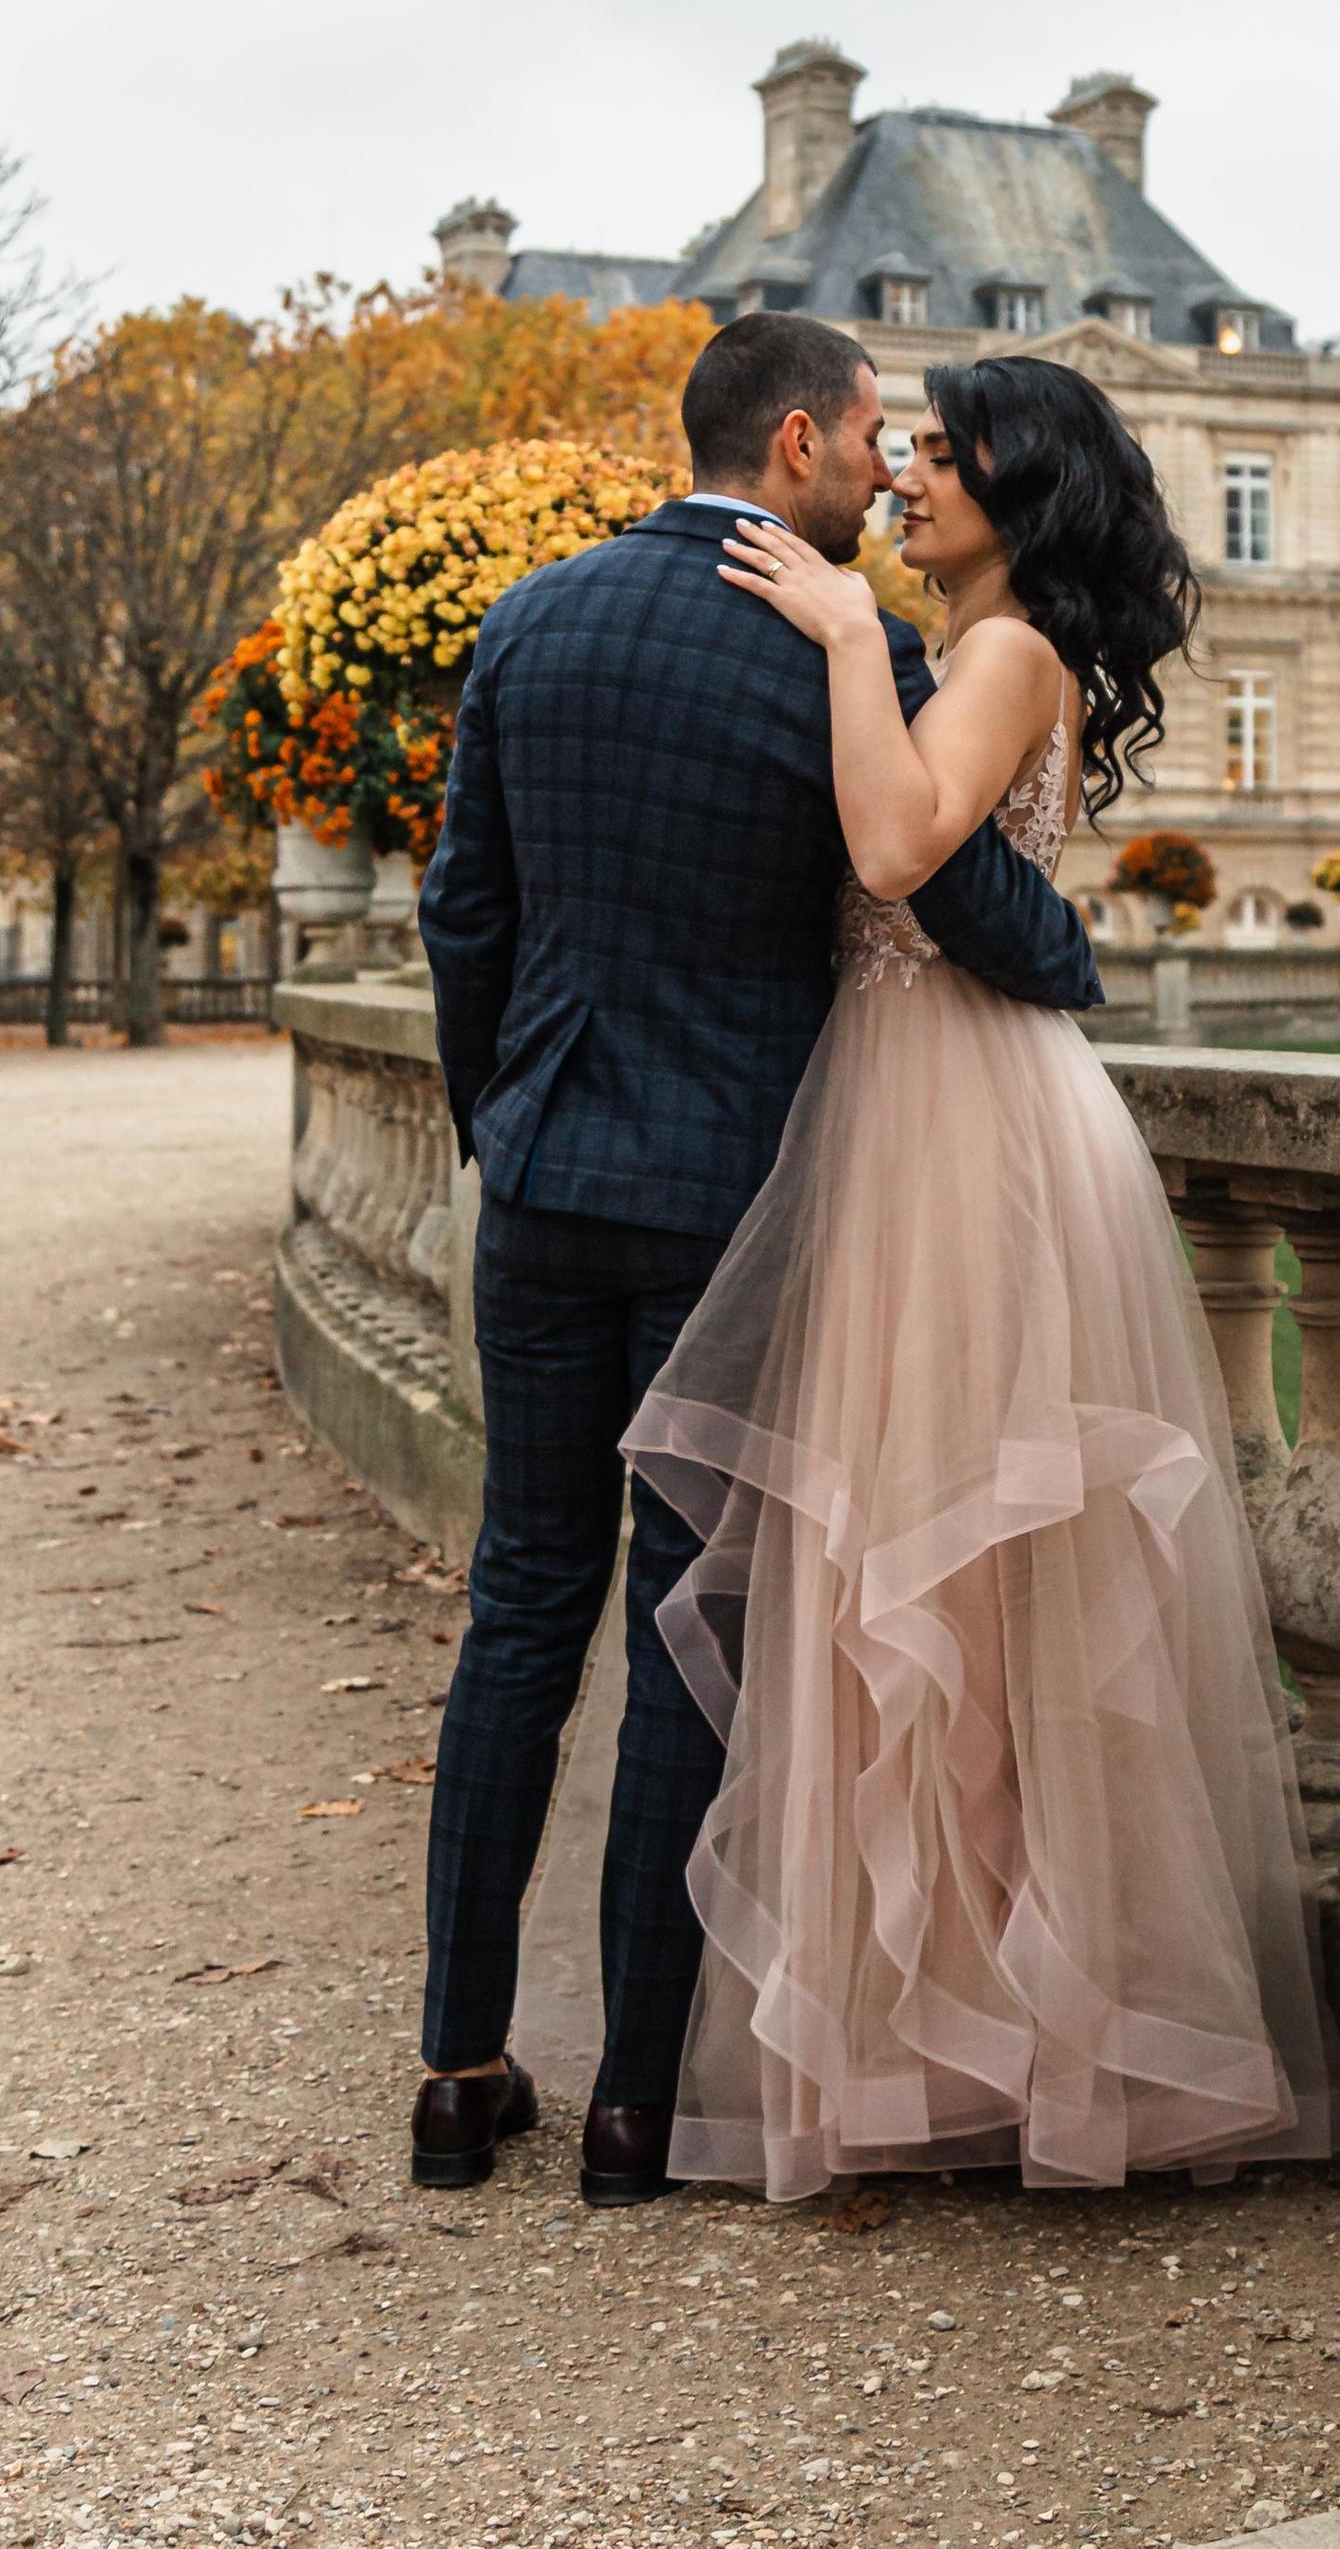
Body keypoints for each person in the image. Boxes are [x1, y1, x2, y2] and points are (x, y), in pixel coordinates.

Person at [621, 353, 1340, 2194]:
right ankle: (953, 2041)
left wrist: (852, 644)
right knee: (912, 1586)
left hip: (971, 1129)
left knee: (981, 1589)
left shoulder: (1002, 650)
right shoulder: (968, 649)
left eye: (956, 458)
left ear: (1029, 501)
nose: (916, 476)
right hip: (901, 1108)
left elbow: (895, 846)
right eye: (914, 449)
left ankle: (1048, 2054)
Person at [410, 313, 1102, 2207]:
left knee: (519, 1603)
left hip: (546, 1181)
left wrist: (502, 1117)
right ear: (796, 442)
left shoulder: (532, 620)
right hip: (733, 1201)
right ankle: (638, 2103)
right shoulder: (858, 651)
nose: (893, 468)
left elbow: (463, 911)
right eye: (877, 435)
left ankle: (458, 2076)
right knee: (678, 1632)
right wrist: (1078, 967)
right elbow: (952, 895)